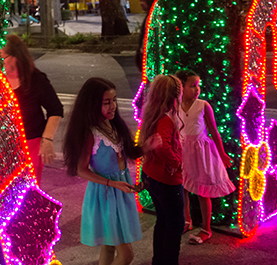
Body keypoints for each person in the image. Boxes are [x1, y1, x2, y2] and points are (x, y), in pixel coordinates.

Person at [63, 77, 162, 265]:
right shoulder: (90, 133)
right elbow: (81, 170)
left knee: (109, 246)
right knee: (126, 255)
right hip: (104, 195)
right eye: (106, 102)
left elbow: (127, 155)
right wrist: (112, 183)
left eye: (114, 100)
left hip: (121, 190)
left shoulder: (114, 125)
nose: (113, 106)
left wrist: (146, 147)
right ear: (92, 104)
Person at [175, 70, 235, 245]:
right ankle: (187, 220)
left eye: (198, 85)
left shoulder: (203, 105)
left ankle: (206, 229)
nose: (197, 89)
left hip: (201, 153)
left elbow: (214, 131)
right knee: (183, 188)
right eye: (192, 86)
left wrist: (222, 154)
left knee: (202, 191)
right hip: (183, 151)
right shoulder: (175, 105)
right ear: (181, 86)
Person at [0, 34, 63, 181]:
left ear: (16, 57)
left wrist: (47, 139)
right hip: (2, 147)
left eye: (1, 57)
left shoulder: (35, 80)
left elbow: (56, 110)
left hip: (31, 145)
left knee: (27, 193)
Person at [140, 74, 185, 265]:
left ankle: (158, 260)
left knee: (163, 221)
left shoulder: (153, 115)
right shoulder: (167, 119)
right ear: (175, 96)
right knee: (175, 225)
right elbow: (163, 146)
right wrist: (176, 163)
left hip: (151, 175)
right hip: (167, 180)